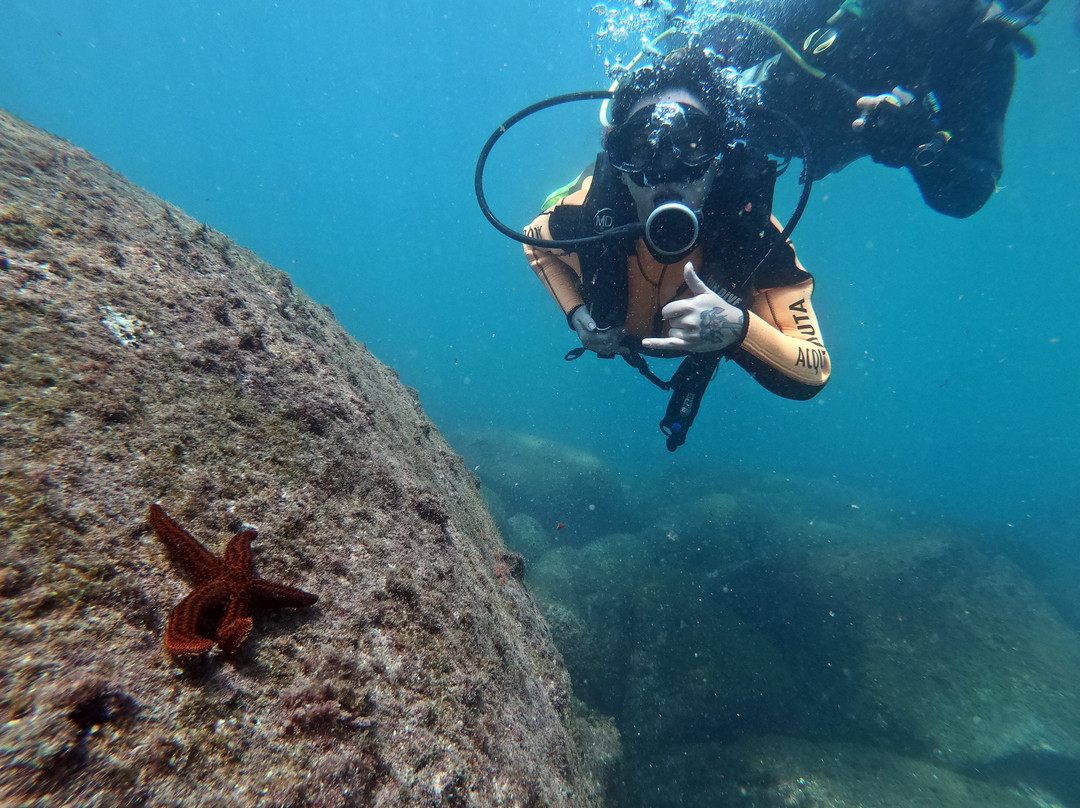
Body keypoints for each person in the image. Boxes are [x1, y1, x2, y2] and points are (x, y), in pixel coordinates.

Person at [522, 48, 830, 451]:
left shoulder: (753, 239)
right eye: (639, 148)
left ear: (719, 158)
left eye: (693, 143)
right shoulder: (585, 213)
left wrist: (736, 329)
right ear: (618, 161)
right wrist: (576, 313)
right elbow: (535, 241)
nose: (666, 168)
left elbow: (814, 367)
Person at [695, 0, 1042, 218]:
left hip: (806, 150)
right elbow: (706, 51)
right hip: (740, 111)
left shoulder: (982, 52)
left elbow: (970, 192)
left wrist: (920, 146)